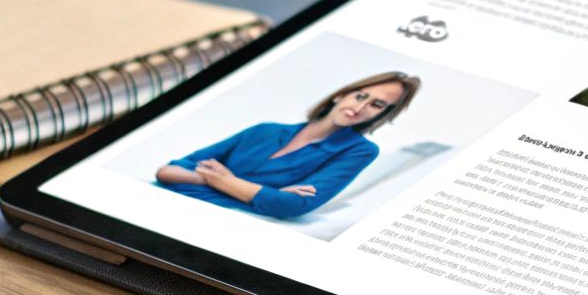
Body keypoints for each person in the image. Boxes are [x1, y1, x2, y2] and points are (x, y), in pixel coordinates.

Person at [154, 71, 421, 219]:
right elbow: (167, 171)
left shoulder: (360, 150)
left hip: (215, 219)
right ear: (341, 94)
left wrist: (219, 179)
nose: (361, 107)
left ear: (382, 114)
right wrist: (259, 190)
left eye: (376, 104)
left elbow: (292, 206)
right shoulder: (265, 130)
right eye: (361, 95)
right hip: (159, 198)